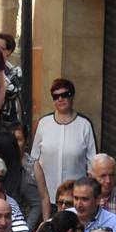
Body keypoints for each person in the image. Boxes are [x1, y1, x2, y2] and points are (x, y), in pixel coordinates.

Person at [30, 79, 97, 223]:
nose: (60, 99)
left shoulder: (84, 125)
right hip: (47, 200)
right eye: (56, 96)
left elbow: (93, 164)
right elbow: (33, 159)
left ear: (72, 96)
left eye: (64, 95)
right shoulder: (44, 123)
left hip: (76, 201)